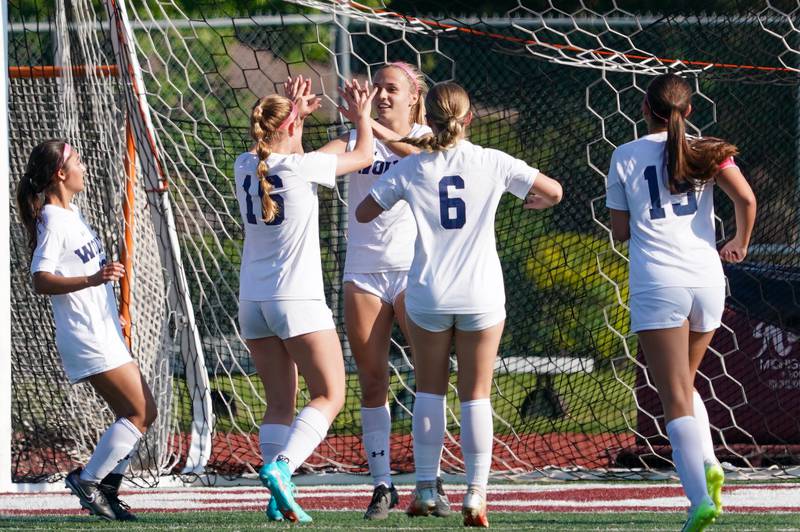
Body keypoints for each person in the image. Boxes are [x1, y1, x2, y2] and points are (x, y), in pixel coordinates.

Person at [356, 81, 563, 528]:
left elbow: (364, 213)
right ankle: (476, 494)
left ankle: (426, 487)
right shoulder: (492, 161)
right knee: (476, 395)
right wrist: (532, 202)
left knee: (429, 390)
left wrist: (404, 188)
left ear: (426, 119)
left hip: (429, 293)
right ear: (469, 119)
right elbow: (554, 191)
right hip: (481, 293)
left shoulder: (415, 168)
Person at [605, 73, 756, 532]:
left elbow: (620, 232)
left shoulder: (625, 155)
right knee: (684, 384)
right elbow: (746, 199)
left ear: (643, 108)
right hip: (707, 279)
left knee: (671, 394)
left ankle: (698, 500)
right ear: (688, 111)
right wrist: (739, 243)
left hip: (660, 281)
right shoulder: (708, 149)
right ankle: (708, 464)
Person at [235, 77, 376, 523]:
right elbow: (365, 156)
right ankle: (283, 468)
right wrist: (362, 118)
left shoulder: (243, 164)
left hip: (252, 304)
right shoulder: (301, 167)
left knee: (279, 403)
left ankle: (276, 501)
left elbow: (285, 153)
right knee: (331, 394)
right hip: (295, 300)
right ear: (293, 127)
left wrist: (294, 111)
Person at [319, 61, 451, 520]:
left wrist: (367, 122)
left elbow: (419, 157)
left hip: (416, 272)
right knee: (372, 380)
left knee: (430, 379)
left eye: (391, 88)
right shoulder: (360, 136)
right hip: (365, 273)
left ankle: (429, 483)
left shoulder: (426, 138)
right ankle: (381, 485)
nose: (382, 94)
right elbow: (314, 165)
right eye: (377, 87)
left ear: (415, 96)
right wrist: (294, 127)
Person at [16, 139, 158, 521]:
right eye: (77, 160)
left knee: (136, 415)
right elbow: (41, 280)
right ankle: (88, 480)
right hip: (86, 335)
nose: (83, 165)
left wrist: (110, 308)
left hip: (102, 330)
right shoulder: (52, 219)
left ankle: (106, 492)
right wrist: (95, 278)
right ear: (60, 174)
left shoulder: (72, 213)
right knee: (142, 411)